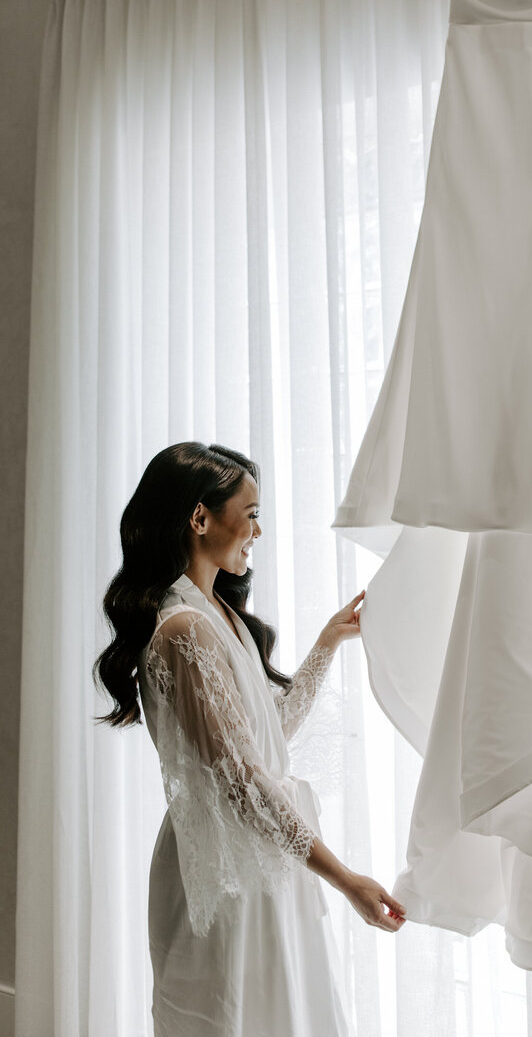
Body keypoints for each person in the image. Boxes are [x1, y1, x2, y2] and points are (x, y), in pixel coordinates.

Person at [94, 440, 405, 1036]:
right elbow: (239, 780)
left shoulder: (220, 615)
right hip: (225, 868)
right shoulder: (183, 628)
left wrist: (326, 644)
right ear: (200, 518)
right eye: (252, 512)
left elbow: (267, 737)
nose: (258, 530)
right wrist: (346, 880)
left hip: (266, 858)